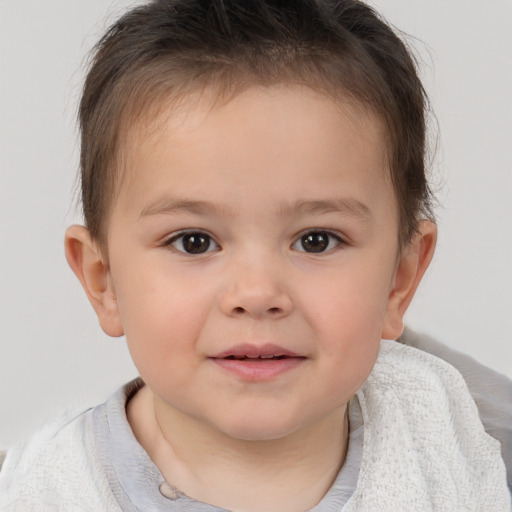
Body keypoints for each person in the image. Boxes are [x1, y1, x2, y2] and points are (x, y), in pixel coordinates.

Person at [0, 0, 510, 510]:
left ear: (400, 280)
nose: (258, 293)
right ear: (103, 280)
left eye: (317, 240)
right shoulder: (45, 491)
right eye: (193, 241)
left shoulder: (459, 439)